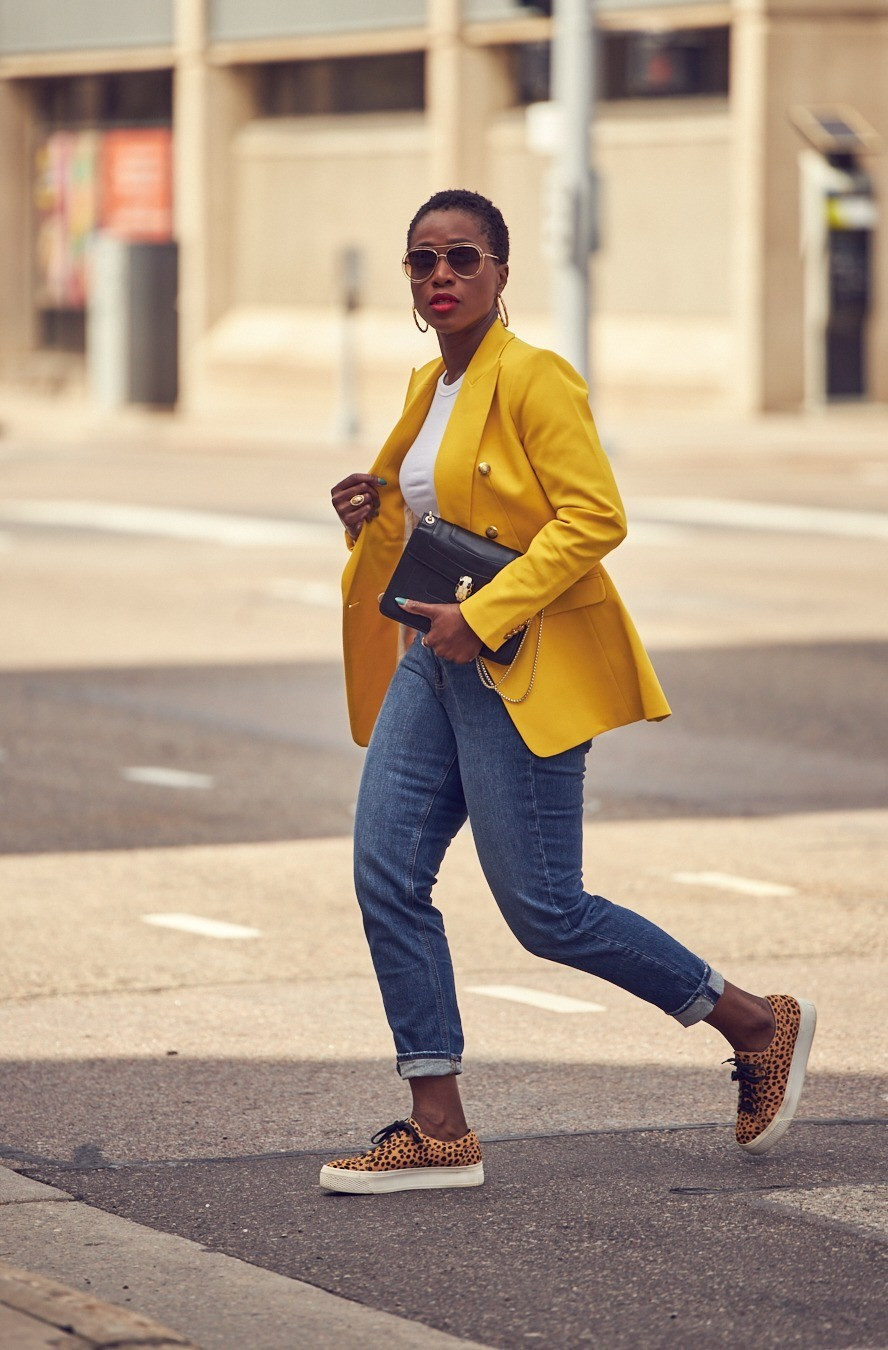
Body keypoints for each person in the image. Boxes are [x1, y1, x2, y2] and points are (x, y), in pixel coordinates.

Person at [322, 188, 815, 1195]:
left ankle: (757, 1025)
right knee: (384, 871)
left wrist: (488, 616)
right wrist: (368, 514)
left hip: (515, 663)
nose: (442, 276)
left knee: (546, 909)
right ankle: (437, 1123)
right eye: (424, 262)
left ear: (503, 274)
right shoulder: (429, 387)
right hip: (432, 655)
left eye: (463, 257)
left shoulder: (535, 379)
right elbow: (445, 520)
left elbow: (594, 518)